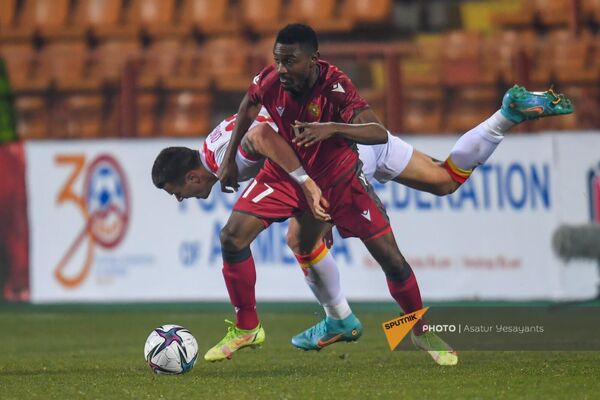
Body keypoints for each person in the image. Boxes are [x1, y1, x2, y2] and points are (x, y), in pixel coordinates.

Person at [153, 25, 572, 365]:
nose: (279, 68)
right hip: (319, 154)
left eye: (288, 60)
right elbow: (251, 106)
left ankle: (351, 321)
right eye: (277, 60)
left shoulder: (330, 90)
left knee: (315, 241)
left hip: (345, 150)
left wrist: (317, 156)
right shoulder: (263, 93)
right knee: (444, 180)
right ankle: (505, 116)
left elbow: (269, 134)